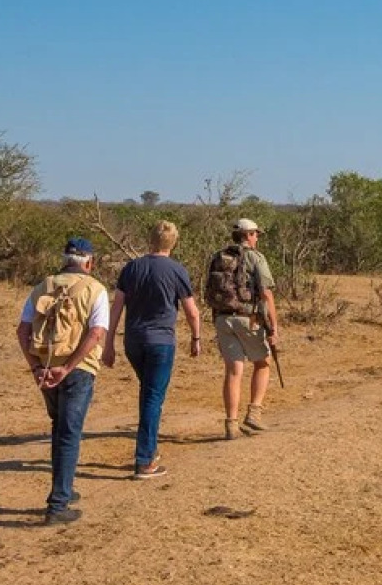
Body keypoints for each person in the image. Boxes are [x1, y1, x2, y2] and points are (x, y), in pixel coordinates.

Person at [17, 237, 109, 524]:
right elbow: (96, 334)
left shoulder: (42, 286)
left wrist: (36, 368)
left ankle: (63, 489)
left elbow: (22, 331)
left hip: (45, 367)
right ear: (90, 262)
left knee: (59, 428)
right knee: (70, 432)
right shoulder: (95, 289)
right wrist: (68, 368)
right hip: (78, 368)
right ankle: (58, 505)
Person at [105, 220, 202, 479]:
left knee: (149, 393)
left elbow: (116, 308)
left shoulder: (131, 268)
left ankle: (149, 450)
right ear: (174, 242)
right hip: (161, 342)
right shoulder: (176, 270)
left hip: (133, 341)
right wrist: (196, 337)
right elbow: (192, 311)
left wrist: (109, 342)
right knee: (152, 398)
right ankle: (145, 459)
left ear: (150, 240)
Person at [204, 218, 280, 441]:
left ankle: (231, 424)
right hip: (249, 318)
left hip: (222, 319)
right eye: (256, 234)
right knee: (263, 362)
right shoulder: (256, 258)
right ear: (248, 235)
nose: (257, 238)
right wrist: (274, 327)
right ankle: (254, 413)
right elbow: (266, 293)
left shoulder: (219, 256)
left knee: (234, 371)